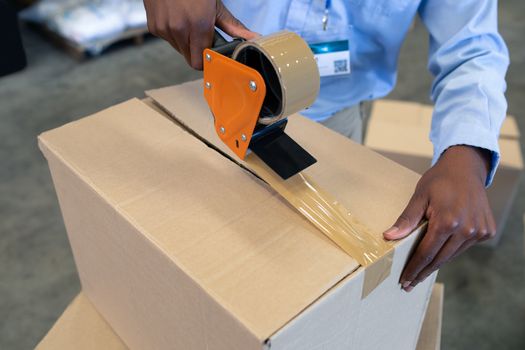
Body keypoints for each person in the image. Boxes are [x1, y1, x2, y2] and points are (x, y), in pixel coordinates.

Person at [143, 0, 509, 292]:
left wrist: (468, 152)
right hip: (223, 92)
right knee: (205, 258)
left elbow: (472, 48)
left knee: (299, 274)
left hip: (339, 122)